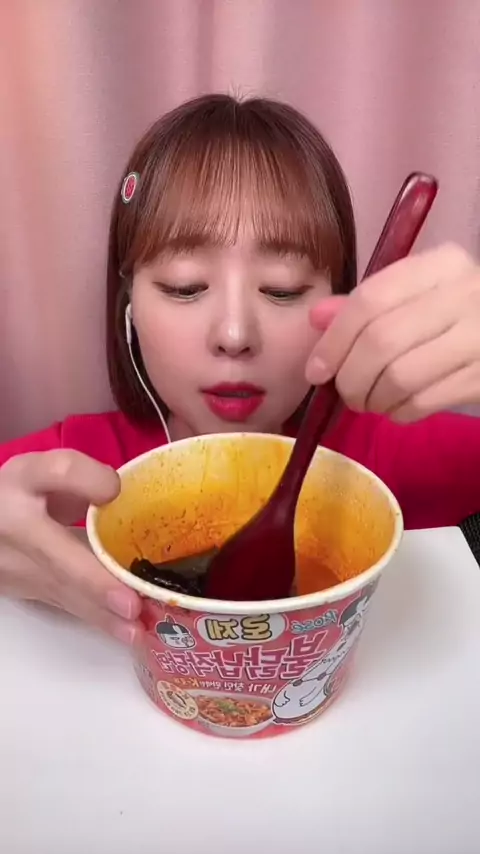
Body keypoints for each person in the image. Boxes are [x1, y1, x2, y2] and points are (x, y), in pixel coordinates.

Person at [1, 93, 480, 647]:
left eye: (283, 289)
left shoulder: (385, 452)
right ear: (129, 309)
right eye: (184, 287)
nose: (234, 334)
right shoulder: (74, 465)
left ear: (342, 305)